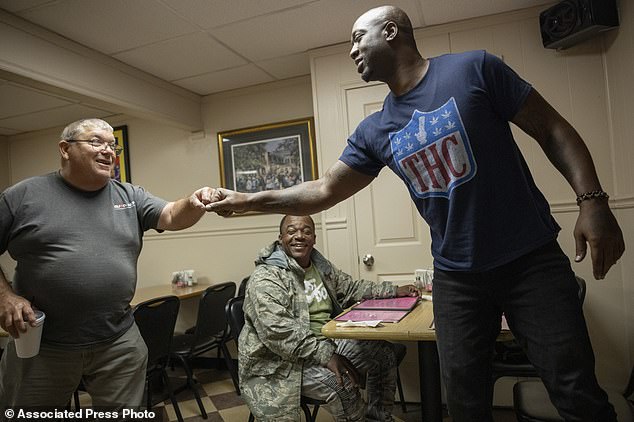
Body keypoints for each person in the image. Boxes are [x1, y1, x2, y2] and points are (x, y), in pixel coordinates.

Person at [206, 5, 625, 421]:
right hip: (457, 278)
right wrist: (246, 202)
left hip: (530, 260)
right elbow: (323, 189)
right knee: (462, 404)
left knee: (575, 392)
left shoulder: (474, 69)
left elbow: (551, 128)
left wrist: (593, 201)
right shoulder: (375, 129)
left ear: (390, 31)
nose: (351, 50)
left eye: (357, 38)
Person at [0, 118, 216, 413]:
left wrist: (193, 202)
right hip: (43, 344)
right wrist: (5, 295)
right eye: (96, 142)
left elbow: (171, 215)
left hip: (118, 342)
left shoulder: (130, 196)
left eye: (113, 145)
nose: (108, 150)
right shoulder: (22, 196)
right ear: (65, 149)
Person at [239, 214, 419, 421]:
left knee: (383, 354)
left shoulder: (319, 266)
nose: (299, 236)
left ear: (314, 238)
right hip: (282, 361)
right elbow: (278, 331)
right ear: (280, 238)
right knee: (342, 385)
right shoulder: (267, 277)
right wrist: (326, 355)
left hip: (324, 344)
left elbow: (350, 288)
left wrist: (393, 290)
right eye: (291, 231)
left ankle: (377, 417)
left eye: (306, 231)